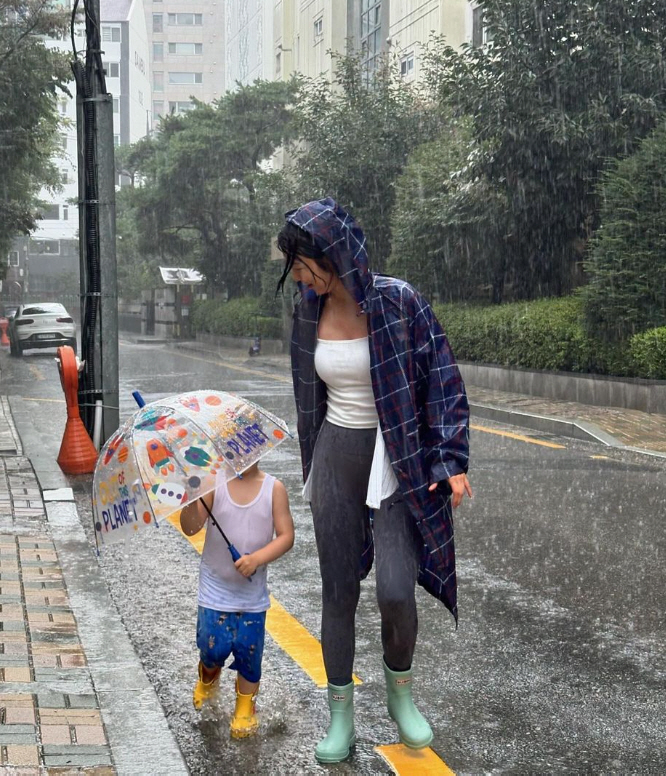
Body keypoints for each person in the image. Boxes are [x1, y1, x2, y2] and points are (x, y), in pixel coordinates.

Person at [275, 198, 472, 763]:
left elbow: (443, 381)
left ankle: (400, 695)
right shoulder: (306, 311)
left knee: (394, 589)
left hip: (397, 458)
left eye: (302, 263)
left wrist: (451, 460)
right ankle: (341, 716)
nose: (297, 274)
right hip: (336, 453)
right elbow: (308, 394)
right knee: (338, 592)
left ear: (331, 254)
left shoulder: (397, 302)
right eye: (293, 265)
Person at [180, 462, 294, 738]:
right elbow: (191, 527)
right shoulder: (213, 483)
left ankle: (245, 706)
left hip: (251, 595)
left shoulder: (273, 489)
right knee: (212, 648)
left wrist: (257, 559)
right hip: (214, 590)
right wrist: (189, 498)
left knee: (249, 653)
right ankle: (208, 676)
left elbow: (287, 535)